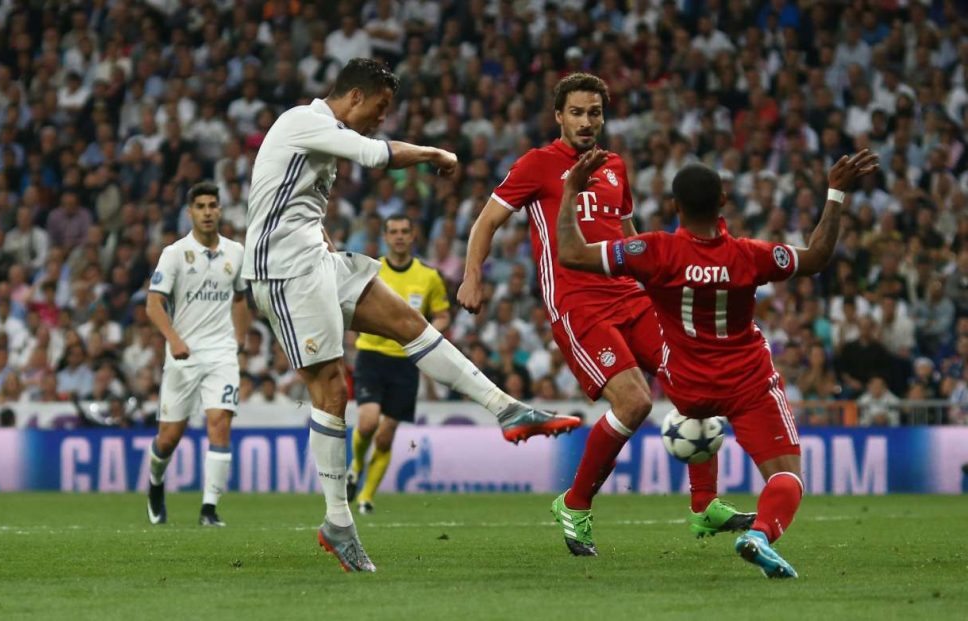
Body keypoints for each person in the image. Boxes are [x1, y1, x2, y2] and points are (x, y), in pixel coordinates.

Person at [242, 58, 579, 572]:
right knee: (332, 390)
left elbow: (292, 203)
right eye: (380, 108)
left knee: (408, 322)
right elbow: (375, 156)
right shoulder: (302, 121)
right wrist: (433, 153)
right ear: (356, 96)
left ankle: (508, 410)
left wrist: (322, 240)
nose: (381, 119)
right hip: (283, 273)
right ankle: (338, 522)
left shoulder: (319, 132)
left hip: (315, 260)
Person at [458, 73, 748, 557]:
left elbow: (626, 230)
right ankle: (574, 503)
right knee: (634, 403)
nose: (587, 122)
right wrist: (472, 275)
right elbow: (487, 220)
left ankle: (705, 505)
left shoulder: (615, 165)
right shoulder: (537, 165)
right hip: (578, 304)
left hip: (630, 297)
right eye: (577, 112)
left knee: (699, 382)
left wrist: (655, 282)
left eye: (595, 112)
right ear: (558, 116)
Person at [556, 147, 879, 578]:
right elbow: (817, 257)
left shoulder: (654, 251)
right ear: (724, 201)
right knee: (787, 478)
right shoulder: (751, 255)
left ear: (676, 207)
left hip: (687, 384)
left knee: (670, 409)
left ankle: (703, 503)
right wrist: (835, 193)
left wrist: (571, 192)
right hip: (748, 382)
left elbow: (572, 253)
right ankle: (760, 534)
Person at [145, 182, 250, 527]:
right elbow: (154, 304)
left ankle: (209, 510)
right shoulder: (174, 253)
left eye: (213, 205)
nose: (207, 212)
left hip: (221, 354)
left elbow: (240, 299)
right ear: (190, 212)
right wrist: (173, 339)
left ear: (220, 210)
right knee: (169, 438)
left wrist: (239, 340)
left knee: (219, 423)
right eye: (200, 206)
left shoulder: (236, 252)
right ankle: (156, 482)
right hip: (183, 355)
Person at [347, 214, 450, 515]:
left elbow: (443, 314)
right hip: (371, 356)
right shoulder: (371, 271)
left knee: (385, 434)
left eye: (405, 231)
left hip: (405, 362)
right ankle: (355, 466)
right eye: (393, 232)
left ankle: (366, 497)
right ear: (385, 236)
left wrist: (430, 334)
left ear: (413, 235)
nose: (400, 236)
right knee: (367, 423)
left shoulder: (429, 276)